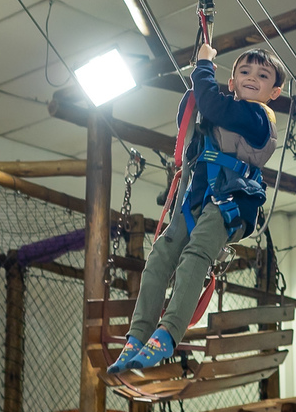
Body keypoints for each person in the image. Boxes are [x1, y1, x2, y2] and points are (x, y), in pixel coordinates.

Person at [108, 43, 286, 373]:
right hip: (199, 199)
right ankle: (138, 333)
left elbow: (212, 105)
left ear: (274, 91)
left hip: (231, 203)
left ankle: (168, 334)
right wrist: (197, 90)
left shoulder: (256, 117)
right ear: (230, 83)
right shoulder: (221, 111)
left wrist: (203, 67)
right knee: (160, 257)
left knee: (194, 257)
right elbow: (192, 116)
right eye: (244, 72)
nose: (251, 78)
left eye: (262, 76)